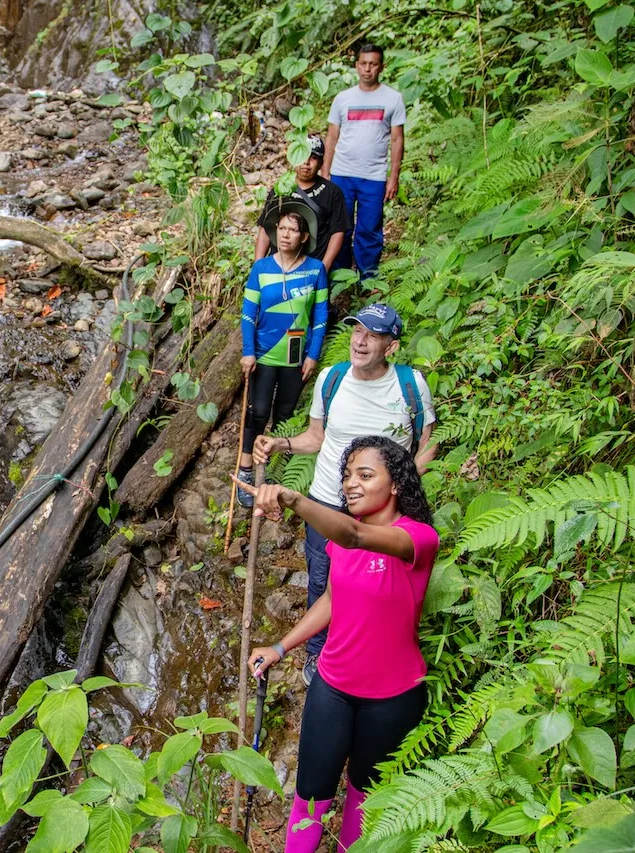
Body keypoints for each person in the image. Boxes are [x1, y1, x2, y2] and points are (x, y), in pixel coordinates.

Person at [235, 435, 439, 853]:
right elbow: (331, 598)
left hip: (393, 698)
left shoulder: (417, 538)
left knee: (366, 797)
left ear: (396, 483)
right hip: (333, 688)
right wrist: (281, 647)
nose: (351, 484)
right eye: (347, 475)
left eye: (365, 475)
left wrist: (293, 500)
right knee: (310, 792)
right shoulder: (340, 540)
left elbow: (355, 536)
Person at [252, 303, 436, 682]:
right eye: (356, 331)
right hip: (327, 497)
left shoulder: (410, 385)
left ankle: (375, 653)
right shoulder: (332, 379)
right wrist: (279, 443)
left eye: (372, 335)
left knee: (379, 582)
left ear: (391, 346)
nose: (360, 341)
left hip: (384, 505)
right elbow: (316, 437)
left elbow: (428, 445)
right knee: (323, 579)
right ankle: (318, 654)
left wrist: (404, 486)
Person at [237, 201, 329, 508]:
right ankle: (247, 466)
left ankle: (275, 474)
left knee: (285, 415)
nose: (286, 235)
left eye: (293, 230)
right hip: (263, 356)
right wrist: (248, 352)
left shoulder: (315, 270)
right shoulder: (261, 268)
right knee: (257, 412)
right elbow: (248, 314)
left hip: (296, 357)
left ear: (304, 237)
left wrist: (313, 354)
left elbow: (320, 316)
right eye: (282, 228)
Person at [321, 43, 406, 280]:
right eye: (364, 64)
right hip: (342, 174)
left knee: (369, 231)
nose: (368, 69)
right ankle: (340, 280)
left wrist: (394, 177)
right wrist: (326, 172)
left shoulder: (393, 98)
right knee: (340, 229)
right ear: (357, 65)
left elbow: (397, 140)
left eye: (373, 64)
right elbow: (332, 136)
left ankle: (367, 281)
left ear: (381, 67)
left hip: (374, 176)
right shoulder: (343, 98)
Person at [254, 135, 350, 274]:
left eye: (313, 157)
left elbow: (337, 232)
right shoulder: (281, 188)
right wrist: (258, 265)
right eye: (302, 156)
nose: (306, 162)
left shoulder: (332, 193)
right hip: (278, 267)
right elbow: (265, 228)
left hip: (312, 267)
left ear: (321, 162)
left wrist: (324, 267)